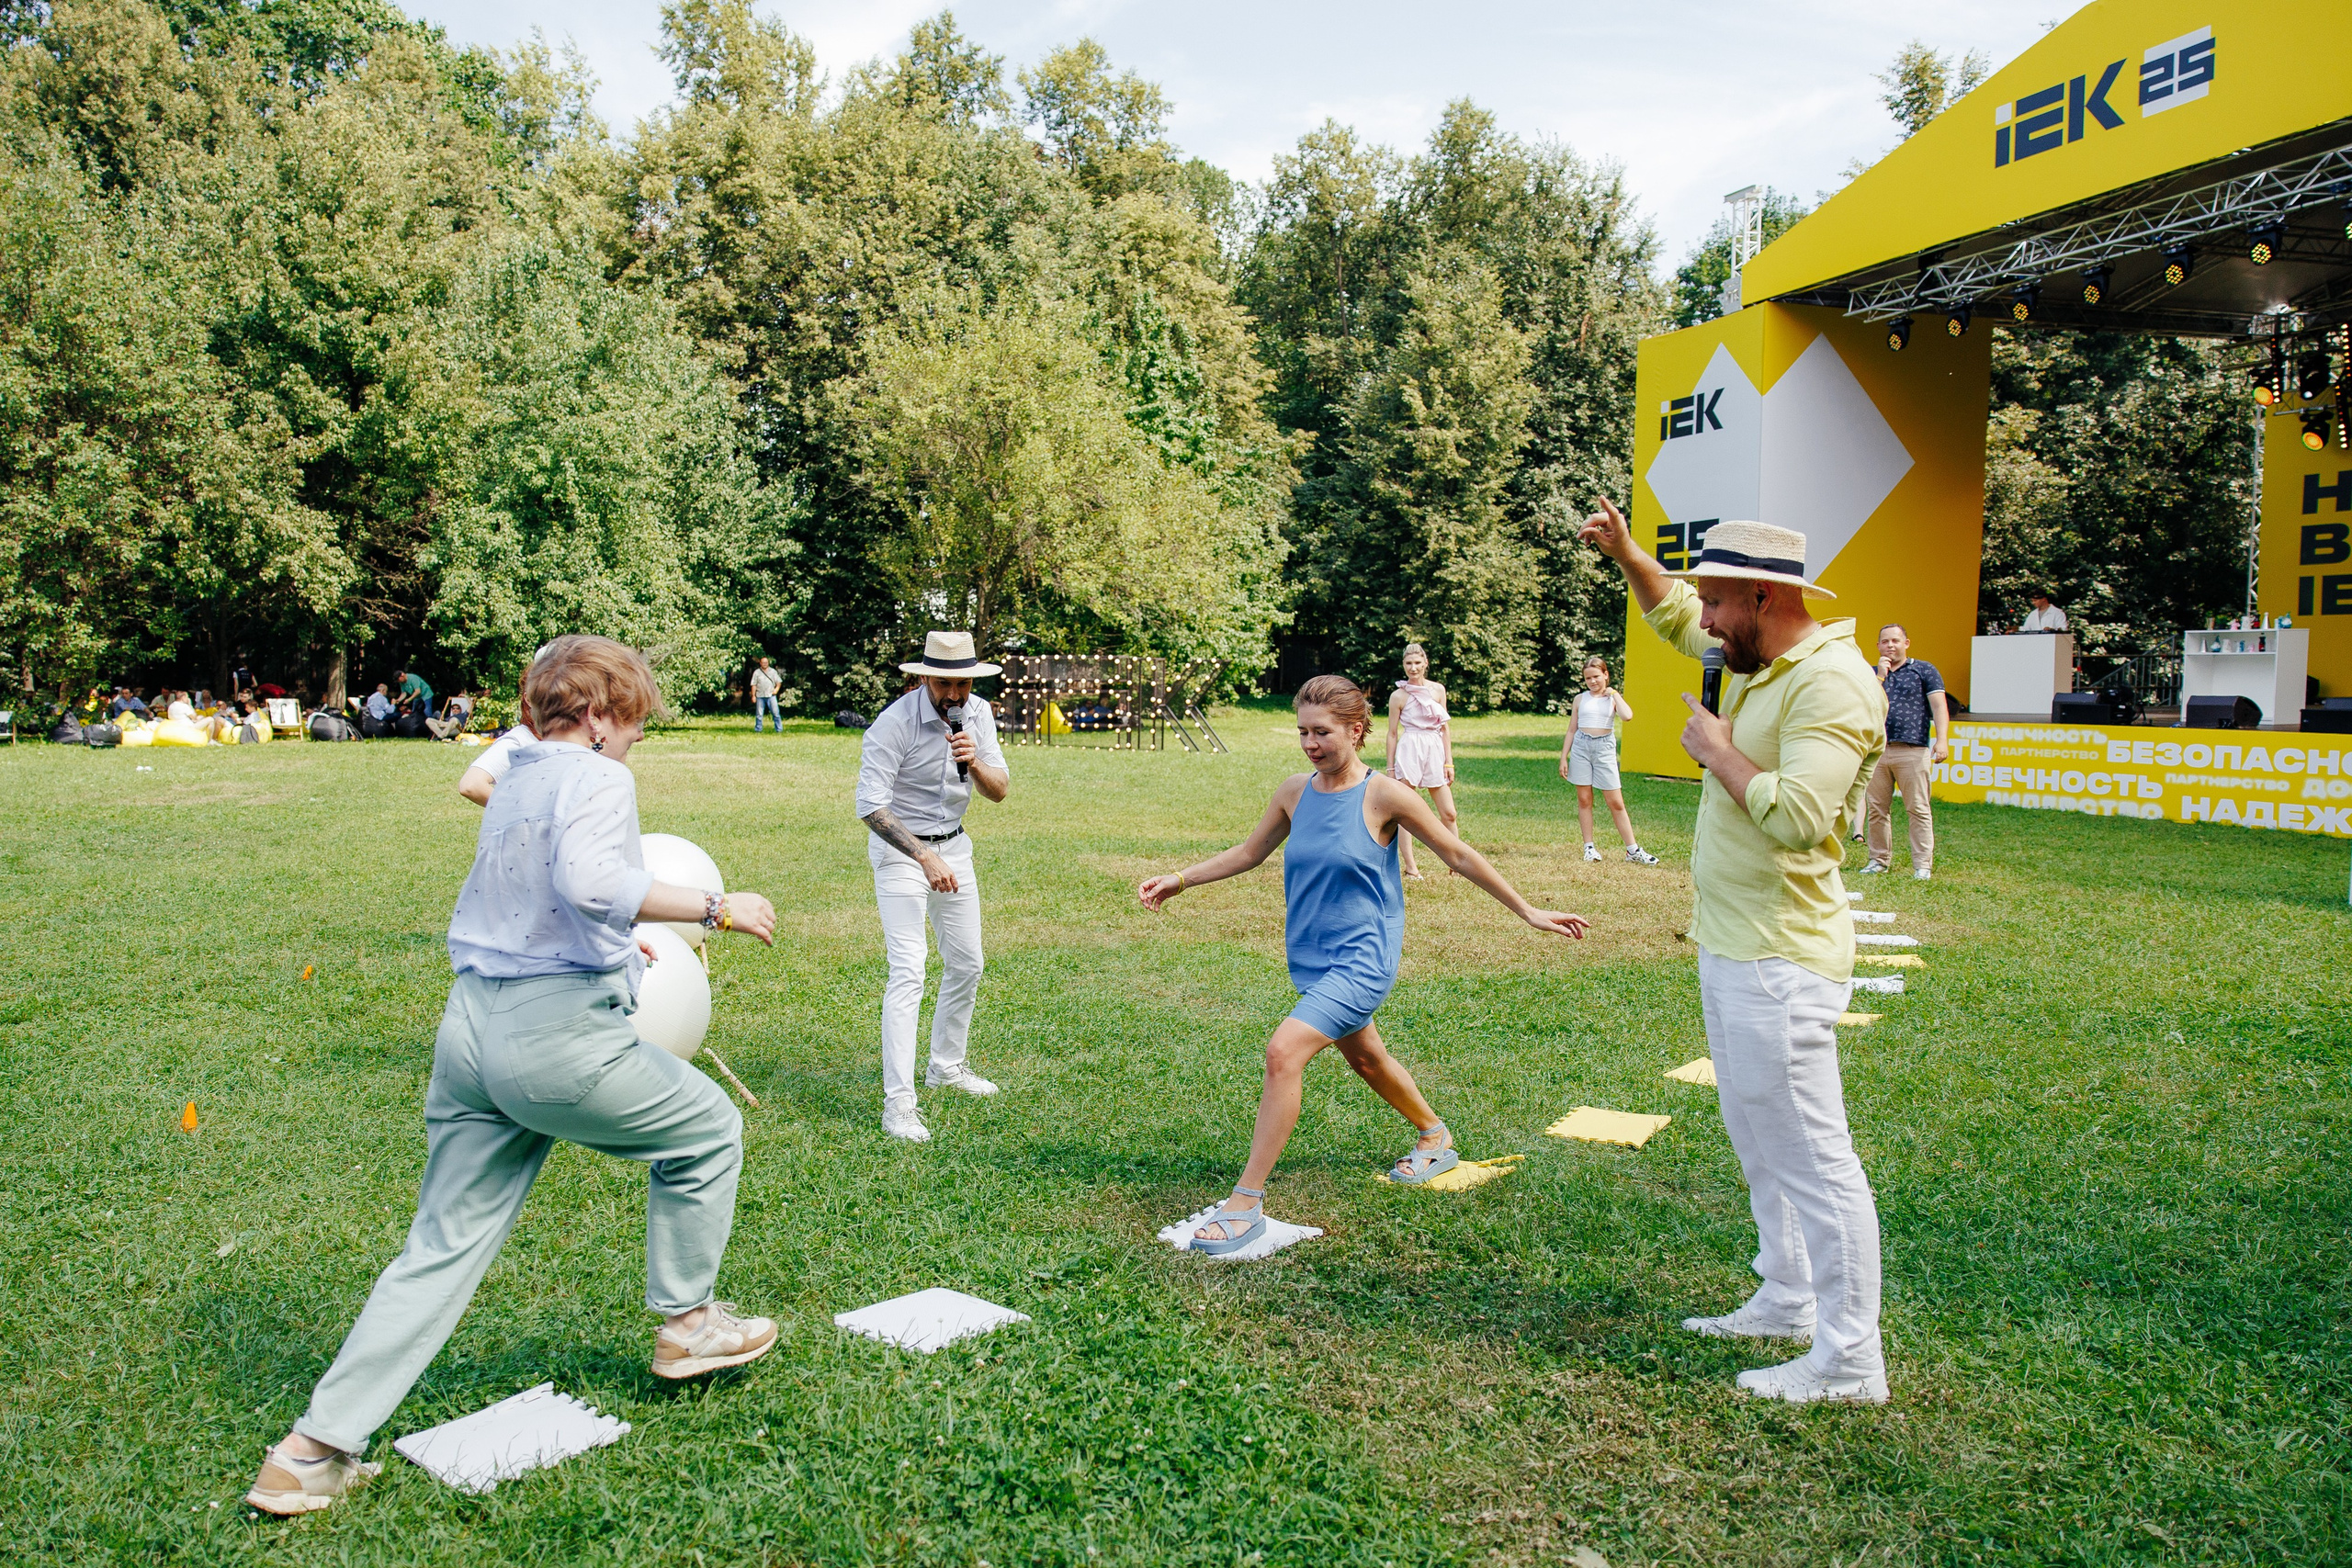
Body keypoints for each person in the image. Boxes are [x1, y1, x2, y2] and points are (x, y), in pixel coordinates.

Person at [243, 635, 782, 1517]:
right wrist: (716, 907)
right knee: (710, 1127)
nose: (640, 734)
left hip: (470, 1030)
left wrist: (614, 942)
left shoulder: (516, 767)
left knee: (440, 1246)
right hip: (553, 1039)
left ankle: (310, 1453)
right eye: (635, 715)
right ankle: (689, 1325)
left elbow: (543, 891)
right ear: (602, 714)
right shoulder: (599, 775)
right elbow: (590, 877)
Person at [1578, 500, 1889, 1404]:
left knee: (1812, 1157)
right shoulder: (1753, 653)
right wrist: (1631, 554)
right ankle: (1787, 1297)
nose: (1702, 622)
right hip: (1732, 944)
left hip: (1782, 958)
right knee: (1760, 1141)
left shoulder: (1831, 685)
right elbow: (1669, 608)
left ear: (1763, 595)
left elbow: (1798, 818)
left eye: (1717, 603)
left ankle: (1848, 1358)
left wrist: (1718, 752)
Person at [1139, 675, 1589, 1254]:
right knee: (1368, 1060)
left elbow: (1456, 853)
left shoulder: (1387, 796)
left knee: (1284, 1053)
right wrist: (1180, 879)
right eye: (1303, 732)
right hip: (1310, 957)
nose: (1310, 744)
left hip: (1364, 958)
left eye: (1322, 732)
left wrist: (1528, 911)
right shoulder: (1294, 792)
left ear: (1356, 730)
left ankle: (1246, 1202)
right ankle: (1434, 1135)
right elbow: (1250, 853)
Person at [855, 630, 1011, 1142]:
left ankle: (946, 1065)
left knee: (968, 961)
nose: (955, 695)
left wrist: (975, 761)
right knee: (910, 969)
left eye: (963, 684)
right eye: (945, 684)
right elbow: (872, 807)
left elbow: (1000, 792)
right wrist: (923, 856)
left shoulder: (979, 714)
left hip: (956, 846)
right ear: (924, 678)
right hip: (902, 851)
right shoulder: (893, 725)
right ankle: (898, 1104)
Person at [1862, 625, 1949, 881]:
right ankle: (1878, 860)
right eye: (1885, 642)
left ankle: (1922, 864)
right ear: (1878, 646)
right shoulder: (1871, 674)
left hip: (1912, 749)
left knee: (1918, 808)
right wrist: (1880, 675)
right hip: (1878, 750)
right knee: (1877, 809)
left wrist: (1941, 740)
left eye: (1895, 641)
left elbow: (1939, 706)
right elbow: (1865, 704)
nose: (1890, 646)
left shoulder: (1924, 670)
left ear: (1906, 643)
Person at [1560, 656, 1659, 866]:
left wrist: (1614, 693)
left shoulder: (1613, 698)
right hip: (1581, 748)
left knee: (1616, 802)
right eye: (1588, 678)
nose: (1592, 681)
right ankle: (1589, 848)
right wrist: (1564, 757)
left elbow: (1627, 716)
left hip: (1604, 748)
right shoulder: (1580, 699)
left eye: (1596, 676)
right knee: (1585, 800)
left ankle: (1632, 850)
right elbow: (1572, 729)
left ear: (1605, 675)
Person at [1382, 644, 1456, 880]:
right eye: (1408, 664)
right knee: (1406, 811)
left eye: (1417, 663)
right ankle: (1411, 867)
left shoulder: (1438, 690)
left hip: (1434, 749)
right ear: (1404, 666)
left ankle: (1457, 864)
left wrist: (1449, 762)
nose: (1413, 668)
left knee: (1449, 813)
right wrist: (1391, 767)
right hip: (1410, 747)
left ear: (1425, 663)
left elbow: (1445, 728)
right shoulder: (1399, 696)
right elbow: (1392, 733)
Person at [750, 657, 782, 733]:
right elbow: (753, 684)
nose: (765, 664)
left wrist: (776, 690)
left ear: (768, 663)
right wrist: (753, 696)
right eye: (763, 663)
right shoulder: (757, 672)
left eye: (766, 662)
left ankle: (779, 729)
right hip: (760, 696)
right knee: (759, 715)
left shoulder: (773, 671)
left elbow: (779, 682)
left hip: (771, 696)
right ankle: (758, 729)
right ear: (760, 663)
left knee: (776, 713)